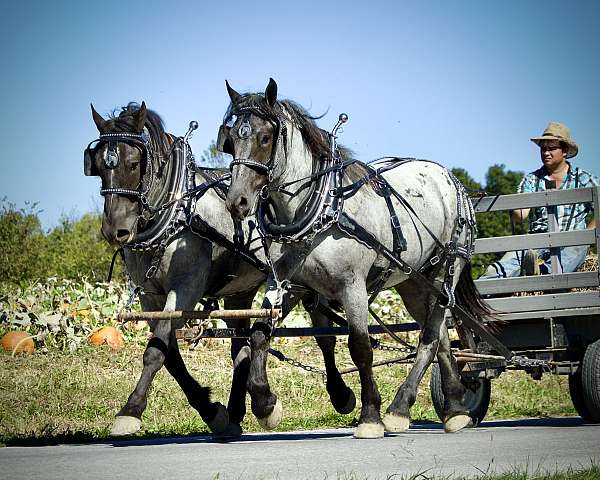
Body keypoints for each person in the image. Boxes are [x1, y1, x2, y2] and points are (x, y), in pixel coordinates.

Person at [480, 122, 598, 279]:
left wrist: (586, 235)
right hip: (537, 240)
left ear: (565, 151)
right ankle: (480, 290)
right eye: (543, 149)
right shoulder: (531, 179)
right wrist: (514, 209)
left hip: (572, 239)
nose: (546, 153)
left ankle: (541, 272)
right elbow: (521, 215)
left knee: (570, 255)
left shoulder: (583, 178)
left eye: (551, 148)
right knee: (500, 269)